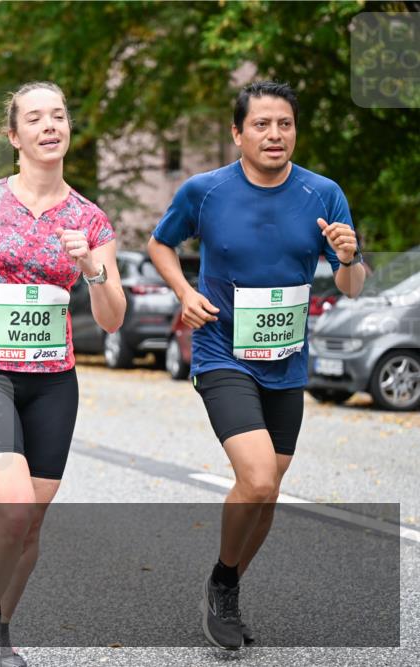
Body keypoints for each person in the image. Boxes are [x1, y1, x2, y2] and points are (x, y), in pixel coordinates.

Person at [148, 81, 365, 651]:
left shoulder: (323, 194)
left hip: (288, 359)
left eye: (285, 124)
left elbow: (352, 285)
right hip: (222, 350)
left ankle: (228, 584)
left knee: (267, 491)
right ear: (238, 133)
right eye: (262, 124)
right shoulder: (206, 191)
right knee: (259, 475)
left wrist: (347, 257)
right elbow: (160, 244)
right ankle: (223, 581)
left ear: (295, 130)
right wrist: (182, 292)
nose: (275, 135)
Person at [0, 82, 124, 666]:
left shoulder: (91, 219)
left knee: (31, 525)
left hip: (53, 382)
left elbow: (113, 320)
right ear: (14, 136)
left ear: (68, 130)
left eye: (58, 116)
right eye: (34, 118)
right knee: (12, 509)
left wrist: (92, 268)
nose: (49, 125)